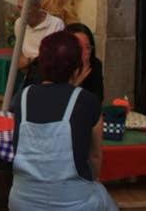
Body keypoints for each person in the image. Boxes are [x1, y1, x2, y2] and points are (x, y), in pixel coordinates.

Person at [9, 31, 116, 211]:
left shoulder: (21, 98)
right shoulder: (87, 101)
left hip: (23, 202)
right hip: (74, 204)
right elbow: (95, 156)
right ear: (77, 67)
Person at [14, 0, 65, 70]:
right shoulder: (19, 23)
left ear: (37, 7)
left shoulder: (56, 24)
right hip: (28, 73)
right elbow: (19, 59)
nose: (21, 13)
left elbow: (55, 59)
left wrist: (30, 61)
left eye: (25, 8)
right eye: (19, 8)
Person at [65, 22, 104, 103]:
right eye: (78, 47)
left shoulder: (95, 65)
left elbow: (96, 102)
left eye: (87, 48)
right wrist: (74, 85)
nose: (83, 53)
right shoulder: (53, 68)